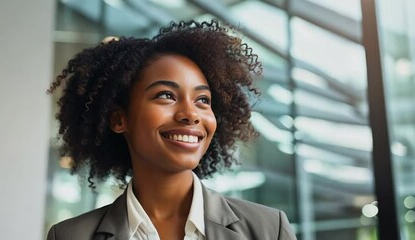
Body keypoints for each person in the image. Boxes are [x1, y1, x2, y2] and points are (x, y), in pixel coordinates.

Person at [46, 19, 297, 240]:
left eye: (203, 100)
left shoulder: (267, 230)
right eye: (166, 95)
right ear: (119, 119)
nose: (190, 114)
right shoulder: (70, 236)